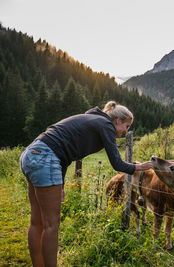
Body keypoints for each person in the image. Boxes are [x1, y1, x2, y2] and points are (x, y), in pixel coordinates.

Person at [19, 100, 153, 267]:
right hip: (45, 158)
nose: (126, 132)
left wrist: (59, 184)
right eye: (126, 126)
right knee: (52, 225)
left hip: (31, 153)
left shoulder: (93, 118)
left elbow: (64, 153)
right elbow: (117, 164)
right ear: (117, 120)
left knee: (37, 222)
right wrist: (138, 167)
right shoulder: (106, 125)